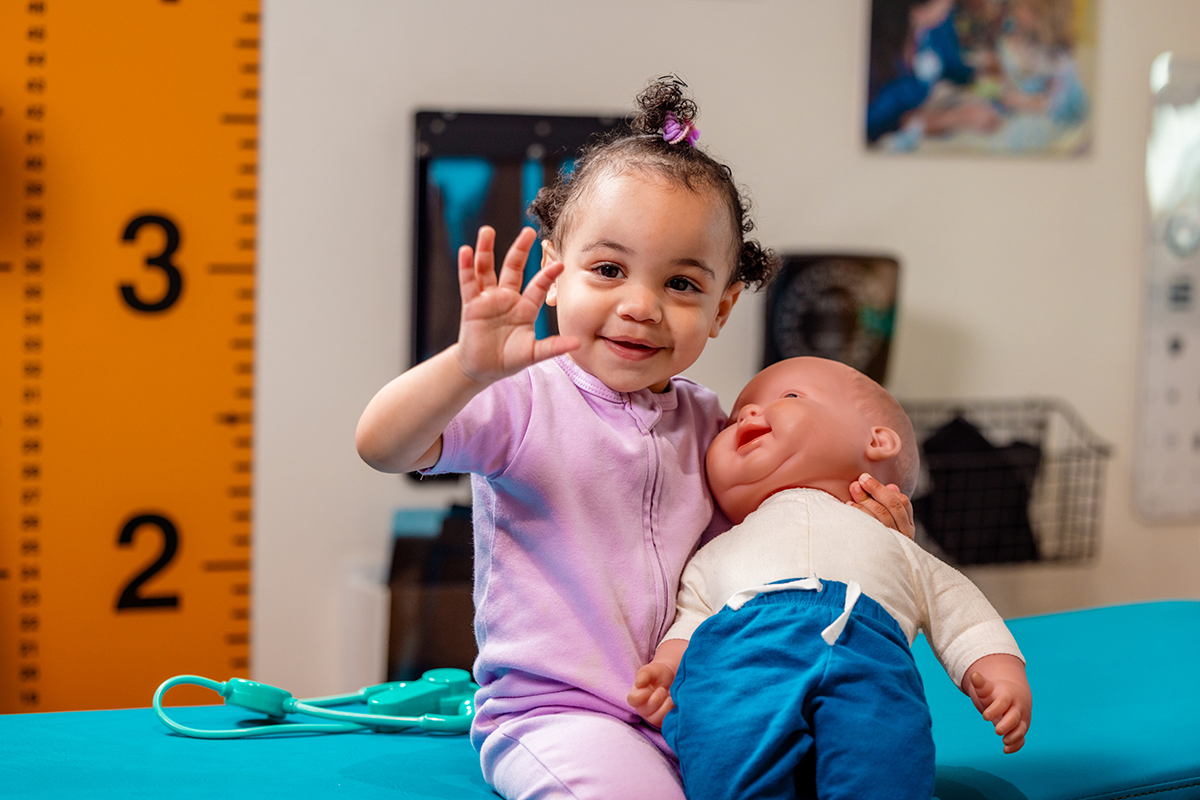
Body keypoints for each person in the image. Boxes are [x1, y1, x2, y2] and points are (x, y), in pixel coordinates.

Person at [357, 79, 914, 800]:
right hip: (558, 714)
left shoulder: (712, 425)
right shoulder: (524, 402)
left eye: (682, 284)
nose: (641, 306)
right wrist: (465, 369)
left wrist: (871, 526)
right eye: (610, 270)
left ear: (723, 307)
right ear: (553, 275)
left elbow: (788, 531)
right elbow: (383, 445)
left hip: (693, 705)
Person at [627, 357, 1032, 800]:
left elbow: (962, 610)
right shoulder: (714, 551)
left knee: (886, 764)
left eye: (790, 396)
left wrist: (999, 671)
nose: (745, 415)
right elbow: (692, 617)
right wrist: (668, 670)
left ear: (876, 441)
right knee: (726, 760)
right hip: (737, 662)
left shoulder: (896, 545)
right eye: (734, 418)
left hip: (868, 655)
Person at [866, 0, 1002, 145]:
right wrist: (952, 118)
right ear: (918, 10)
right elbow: (874, 123)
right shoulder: (876, 49)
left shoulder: (934, 29)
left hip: (919, 119)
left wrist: (982, 74)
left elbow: (952, 66)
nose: (950, 6)